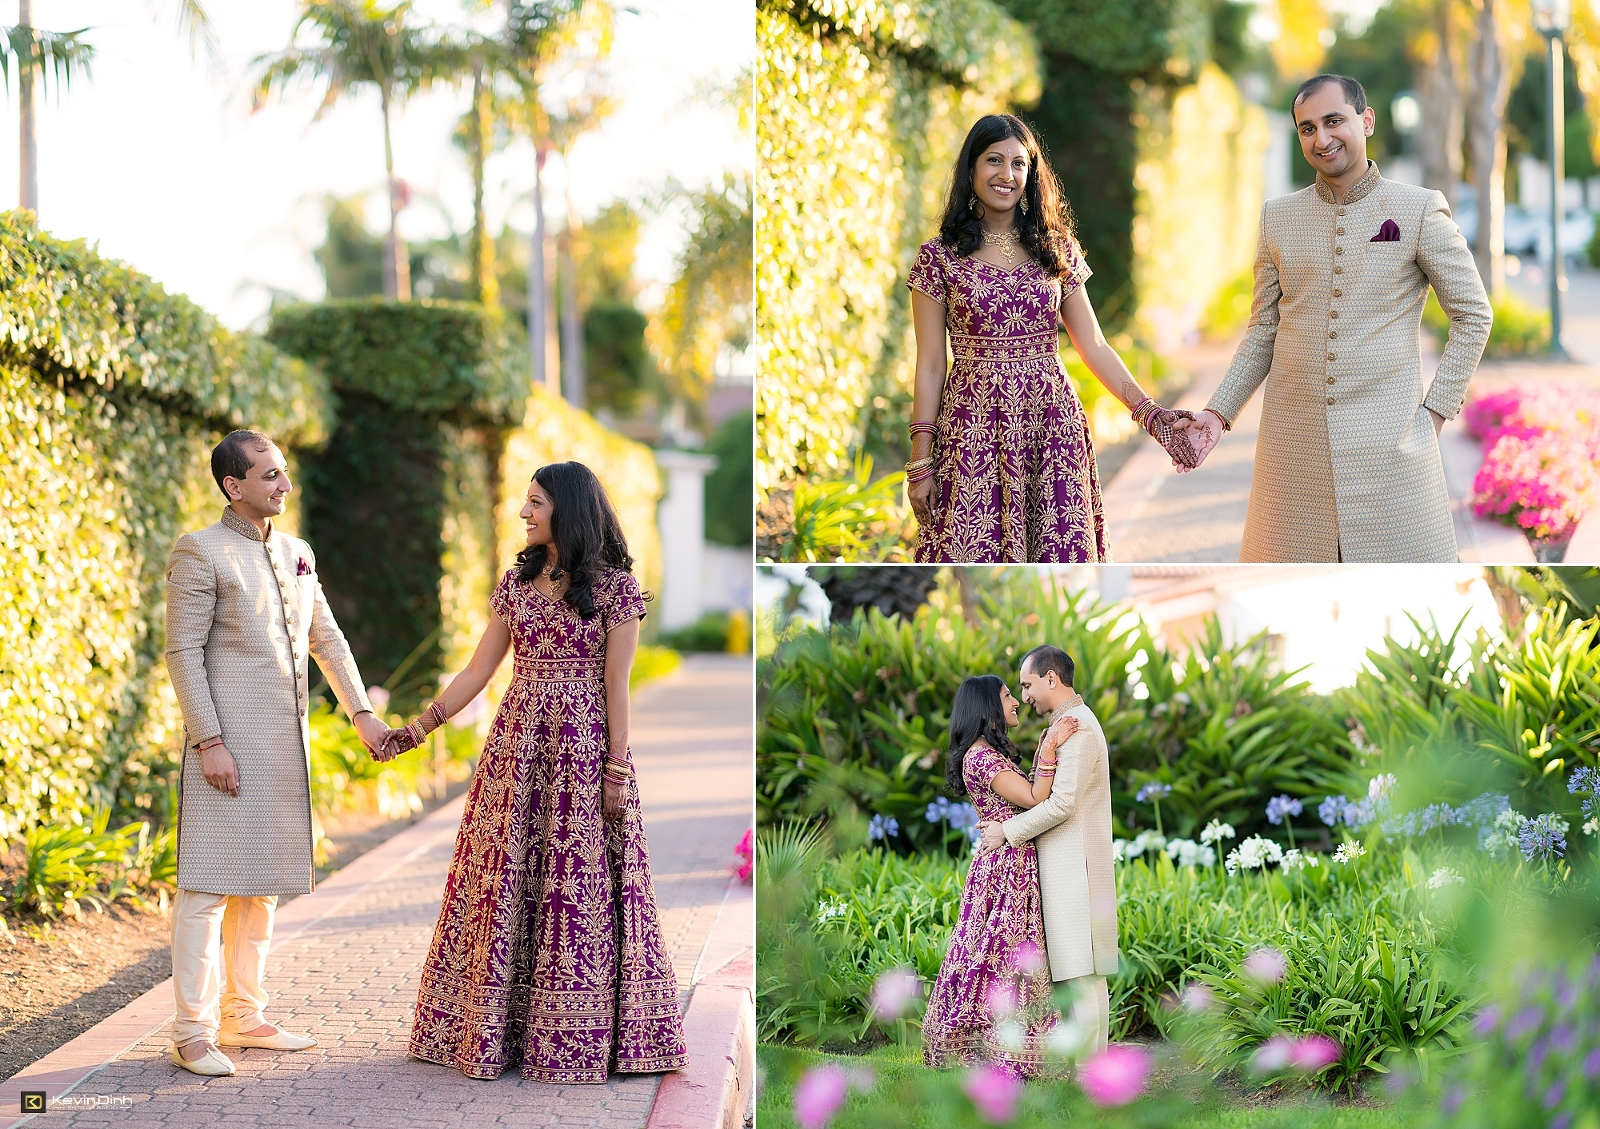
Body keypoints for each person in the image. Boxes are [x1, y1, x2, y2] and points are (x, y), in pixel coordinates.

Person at [390, 461, 688, 1083]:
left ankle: (572, 1038)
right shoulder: (517, 584)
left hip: (582, 754)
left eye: (535, 503)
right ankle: (491, 1029)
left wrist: (616, 770)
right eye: (525, 502)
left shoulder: (614, 591)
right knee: (506, 879)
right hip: (515, 752)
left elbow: (617, 689)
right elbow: (477, 672)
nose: (523, 513)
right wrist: (419, 728)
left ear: (567, 512)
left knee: (574, 886)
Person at [1177, 73, 1493, 563]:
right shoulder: (1277, 217)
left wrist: (1434, 412)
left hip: (1392, 448)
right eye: (1307, 129)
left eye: (1333, 121)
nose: (1321, 139)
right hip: (1292, 447)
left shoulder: (1417, 209)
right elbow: (1263, 329)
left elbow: (1473, 314)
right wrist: (1218, 414)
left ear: (1365, 121)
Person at [163, 430, 387, 1077]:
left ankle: (244, 1014)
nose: (284, 485)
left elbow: (327, 637)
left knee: (261, 889)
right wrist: (209, 740)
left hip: (280, 751)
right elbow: (182, 652)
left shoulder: (297, 552)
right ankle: (191, 1031)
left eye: (284, 473)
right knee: (206, 889)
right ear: (234, 486)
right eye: (269, 476)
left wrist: (362, 713)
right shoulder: (200, 551)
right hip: (225, 748)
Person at [906, 112, 1197, 564]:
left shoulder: (1055, 248)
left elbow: (1094, 345)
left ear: (1031, 173)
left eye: (1019, 164)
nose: (1006, 175)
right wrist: (921, 458)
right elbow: (929, 364)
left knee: (1058, 553)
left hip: (1052, 425)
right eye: (993, 161)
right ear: (971, 168)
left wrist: (1152, 416)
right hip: (973, 427)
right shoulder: (937, 257)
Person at [921, 675, 1079, 1077]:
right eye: (1008, 695)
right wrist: (1050, 746)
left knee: (1004, 954)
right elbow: (1033, 798)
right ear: (987, 707)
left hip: (1010, 859)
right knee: (999, 955)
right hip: (1004, 868)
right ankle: (988, 1047)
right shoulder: (981, 758)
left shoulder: (985, 755)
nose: (1017, 701)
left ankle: (1003, 1048)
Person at [975, 645, 1118, 1058]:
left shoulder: (1079, 727)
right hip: (1067, 870)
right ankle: (1090, 1073)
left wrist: (1007, 830)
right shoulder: (1064, 725)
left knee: (1083, 977)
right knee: (1080, 977)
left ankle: (1091, 1078)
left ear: (1050, 678)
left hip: (1078, 870)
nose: (1025, 695)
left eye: (1028, 684)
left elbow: (1062, 803)